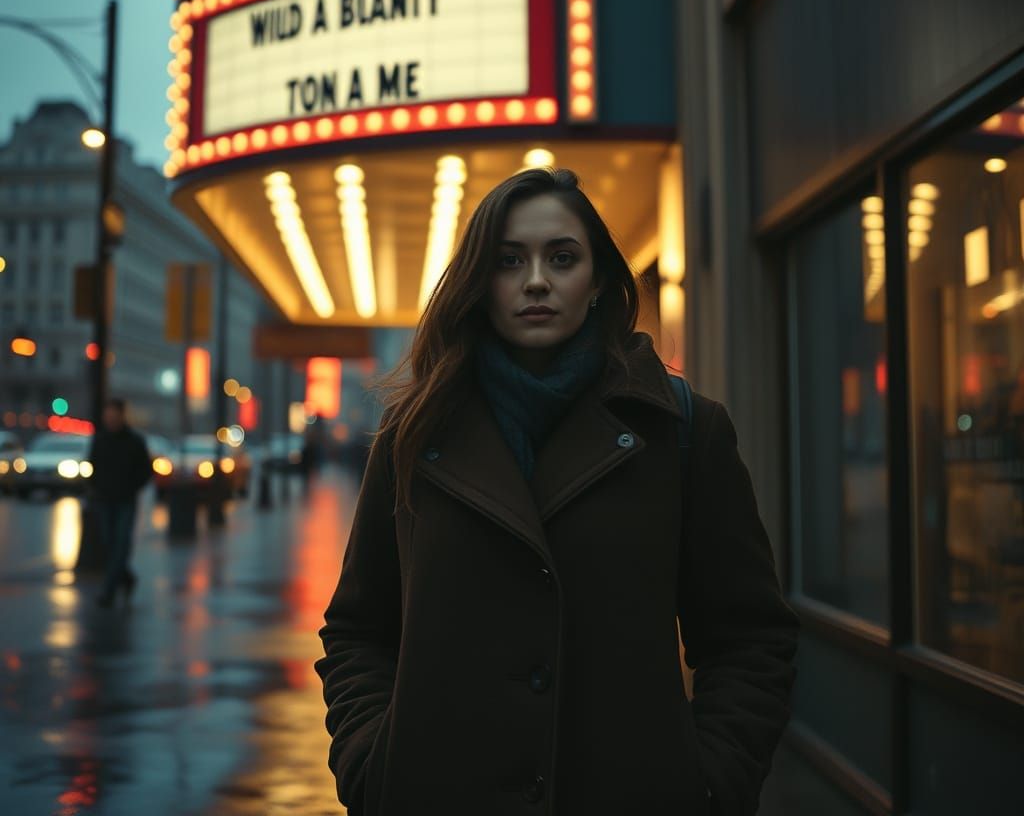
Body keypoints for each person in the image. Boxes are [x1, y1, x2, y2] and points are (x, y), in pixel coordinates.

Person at [315, 168, 799, 815]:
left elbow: (750, 639)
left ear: (598, 280)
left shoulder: (682, 431)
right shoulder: (414, 435)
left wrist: (710, 783)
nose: (536, 280)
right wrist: (370, 766)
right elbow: (358, 627)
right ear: (480, 281)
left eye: (562, 257)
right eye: (509, 260)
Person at [88, 398, 152, 607]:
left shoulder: (135, 441)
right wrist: (95, 486)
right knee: (109, 542)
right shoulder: (100, 440)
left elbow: (145, 470)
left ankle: (109, 591)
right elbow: (92, 465)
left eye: (114, 416)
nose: (110, 420)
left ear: (121, 416)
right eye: (108, 416)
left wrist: (132, 487)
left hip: (125, 500)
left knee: (121, 543)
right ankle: (126, 578)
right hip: (104, 499)